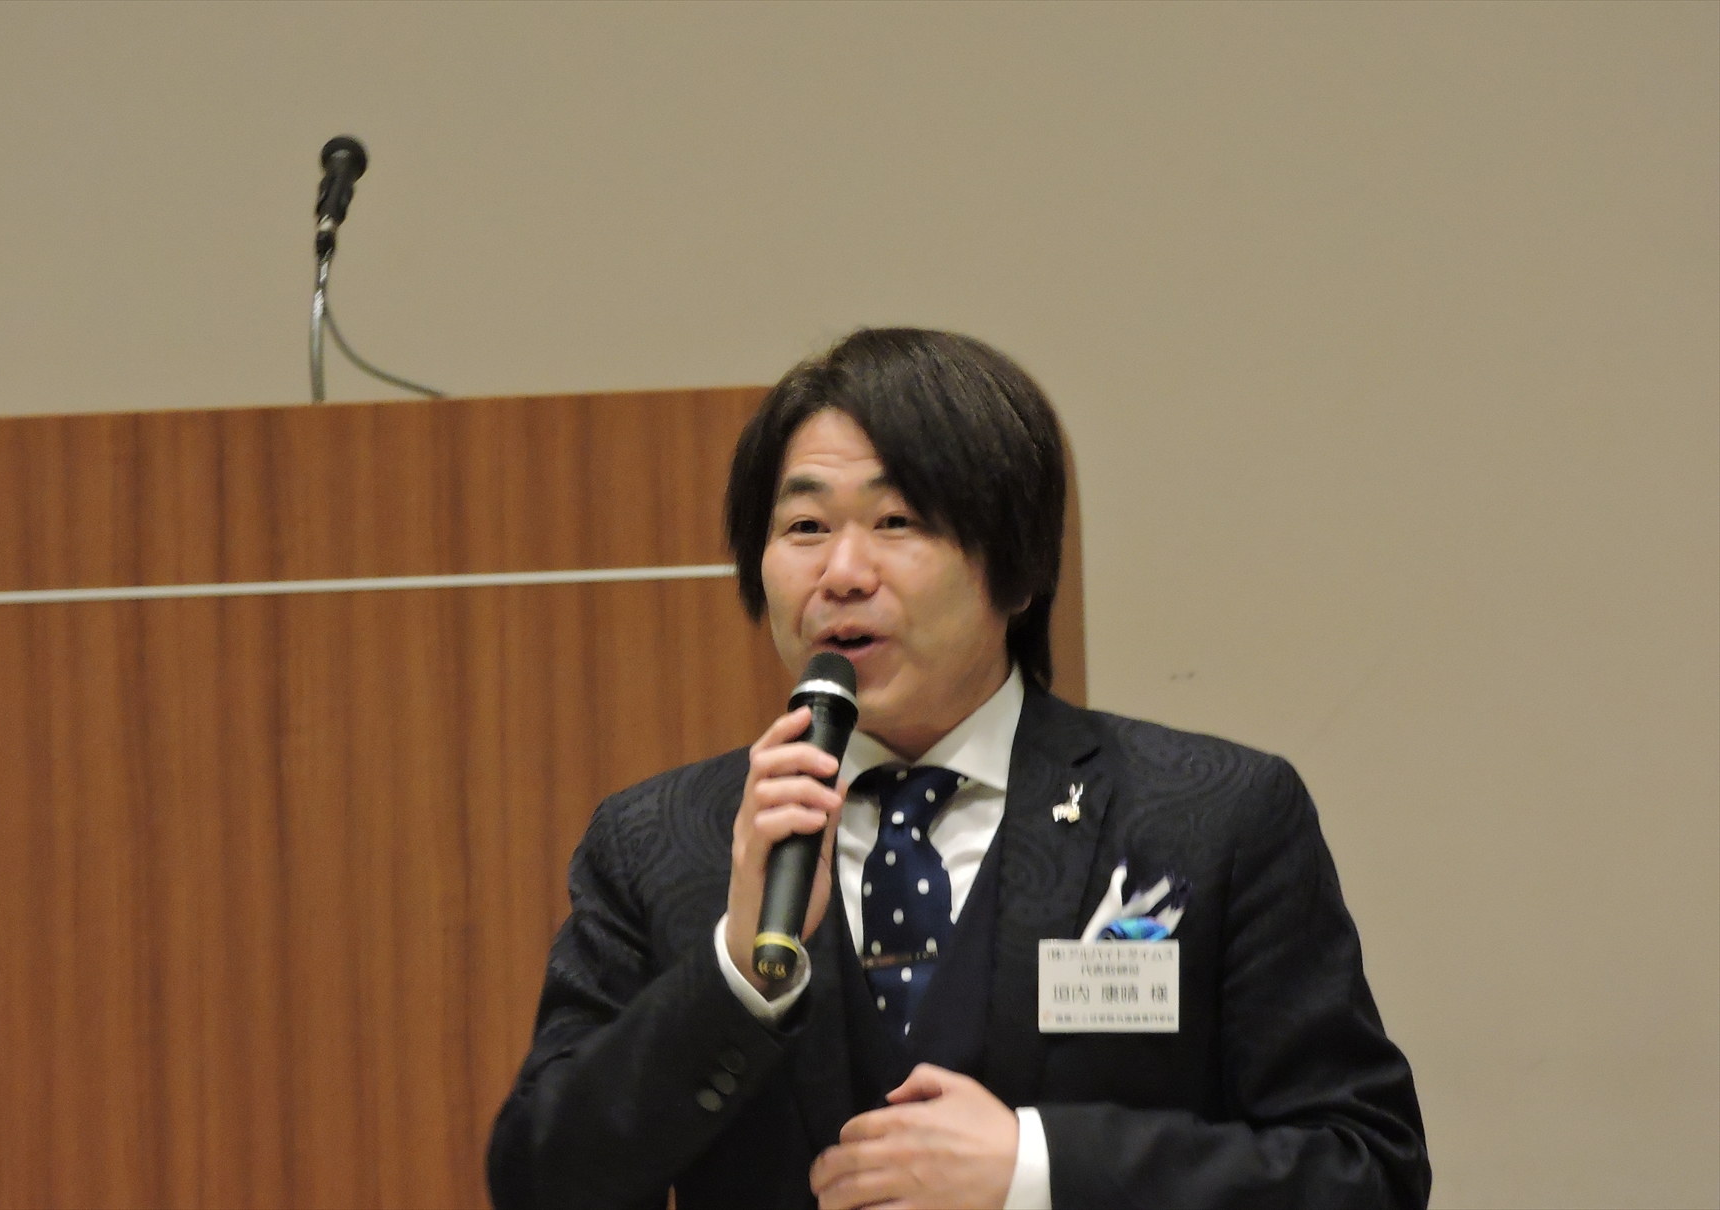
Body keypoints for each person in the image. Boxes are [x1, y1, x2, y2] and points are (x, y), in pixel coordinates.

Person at [486, 328, 1429, 1210]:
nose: (841, 573)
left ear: (1016, 567)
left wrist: (1033, 1169)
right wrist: (736, 970)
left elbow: (1364, 1169)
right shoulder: (660, 840)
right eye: (804, 526)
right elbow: (541, 1180)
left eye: (896, 520)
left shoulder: (1210, 814)